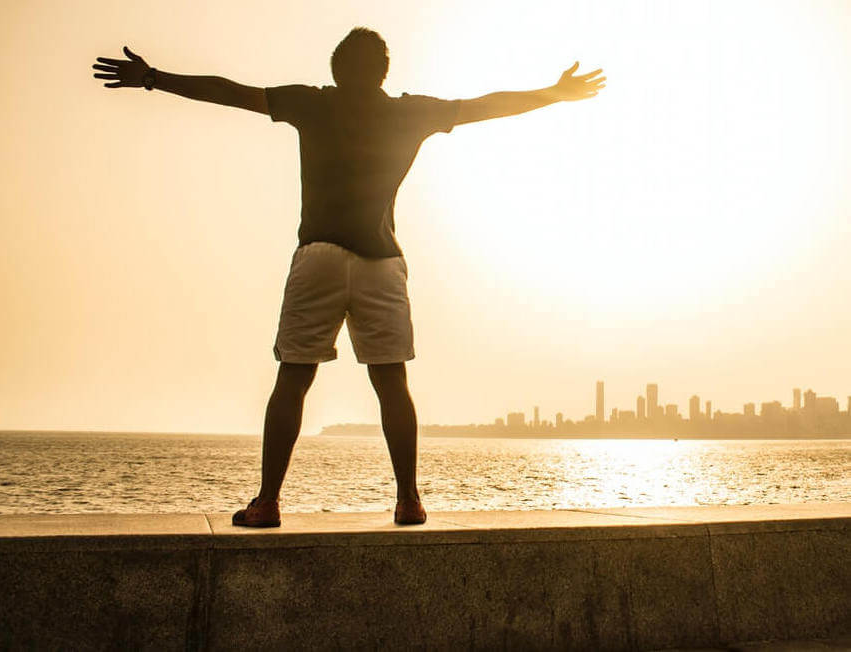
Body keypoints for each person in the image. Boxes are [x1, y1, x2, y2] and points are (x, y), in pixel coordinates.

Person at [93, 29, 605, 526]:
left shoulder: (313, 103)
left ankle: (268, 502)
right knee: (391, 384)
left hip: (319, 254)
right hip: (381, 263)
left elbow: (229, 92)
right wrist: (555, 94)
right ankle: (408, 500)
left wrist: (154, 77)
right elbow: (485, 105)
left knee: (293, 379)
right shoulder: (410, 112)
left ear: (335, 72)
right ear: (385, 72)